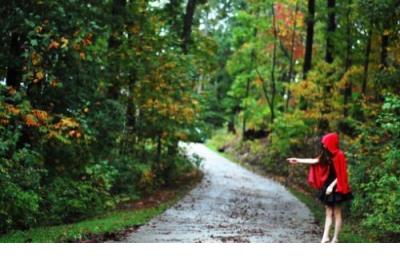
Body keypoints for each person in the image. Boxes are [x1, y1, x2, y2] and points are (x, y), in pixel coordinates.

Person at [287, 133, 353, 243]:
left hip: (338, 187)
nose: (324, 146)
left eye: (326, 144)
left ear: (331, 143)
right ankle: (325, 237)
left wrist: (332, 187)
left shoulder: (340, 155)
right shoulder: (326, 154)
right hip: (328, 186)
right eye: (324, 144)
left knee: (337, 213)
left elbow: (342, 175)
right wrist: (297, 160)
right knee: (328, 213)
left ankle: (335, 238)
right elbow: (314, 161)